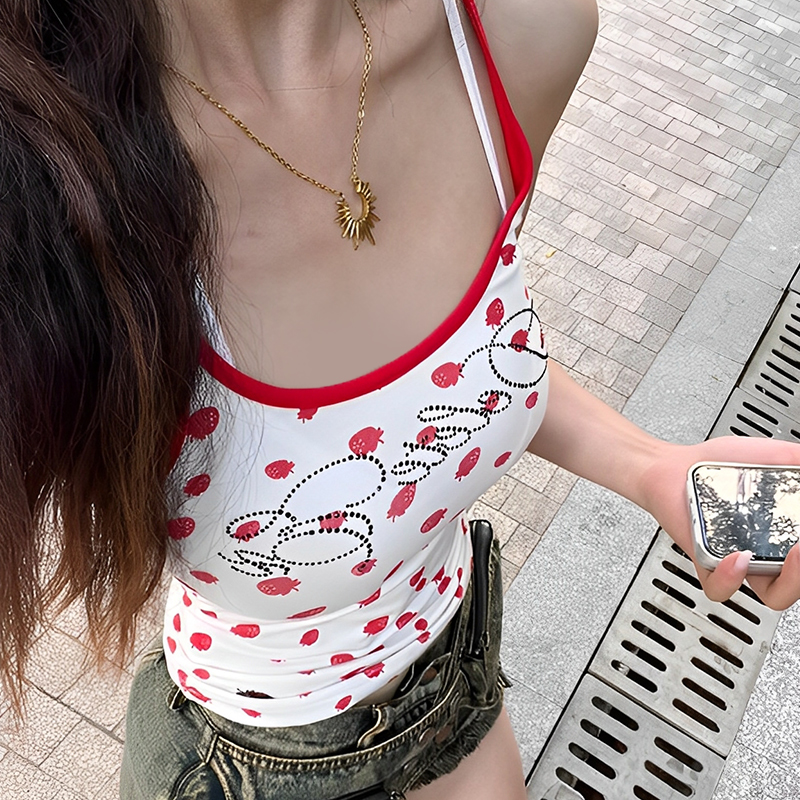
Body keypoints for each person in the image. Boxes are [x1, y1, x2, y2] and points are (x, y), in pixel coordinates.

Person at [2, 1, 799, 798]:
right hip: (250, 757)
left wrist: (652, 466)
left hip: (455, 682)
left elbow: (445, 377)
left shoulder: (513, 39)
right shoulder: (49, 167)